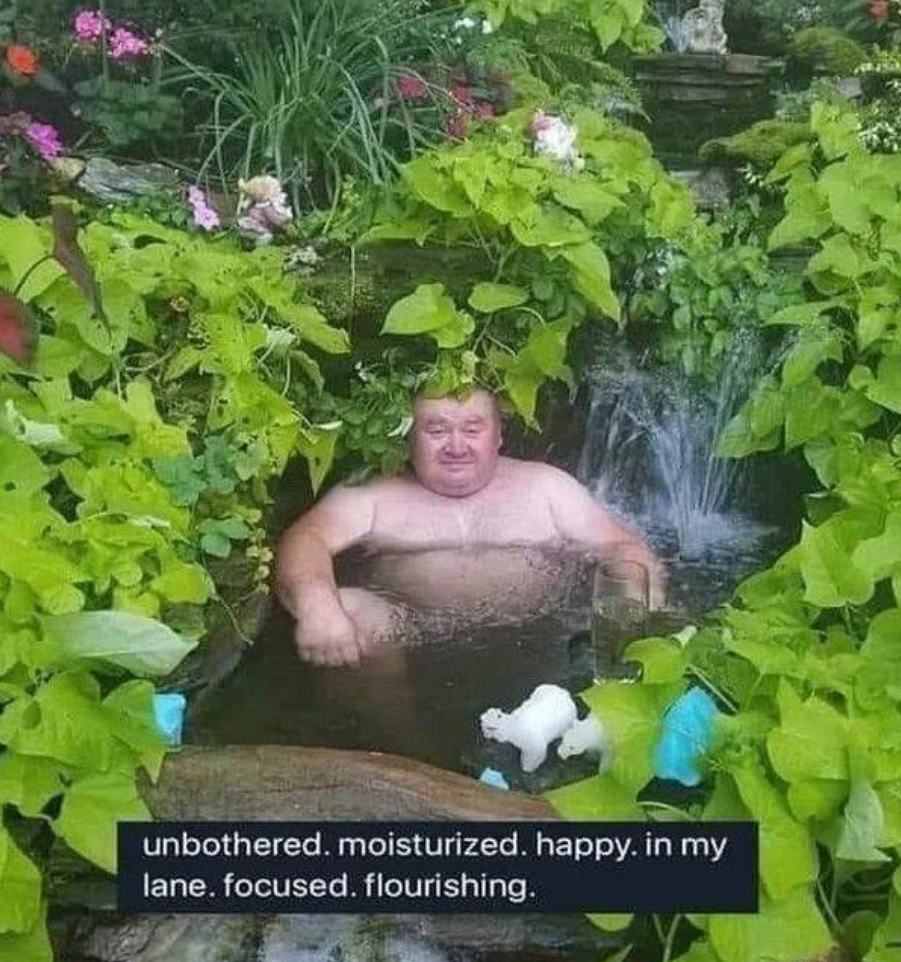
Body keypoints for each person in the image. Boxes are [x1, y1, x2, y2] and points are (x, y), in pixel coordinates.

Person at [277, 388, 666, 666]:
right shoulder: (372, 493)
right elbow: (306, 537)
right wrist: (317, 606)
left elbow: (620, 544)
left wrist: (633, 599)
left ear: (499, 436)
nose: (456, 446)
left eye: (472, 429)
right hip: (410, 630)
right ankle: (399, 741)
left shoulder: (547, 487)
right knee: (348, 610)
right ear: (409, 438)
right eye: (437, 430)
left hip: (539, 635)